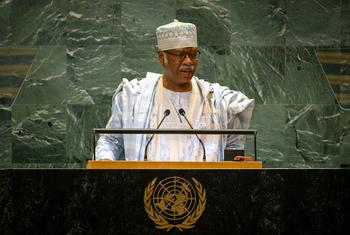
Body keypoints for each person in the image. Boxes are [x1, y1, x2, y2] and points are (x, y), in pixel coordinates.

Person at [95, 19, 254, 161]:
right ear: (160, 56)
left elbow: (232, 149)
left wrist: (238, 165)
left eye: (193, 54)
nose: (189, 62)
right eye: (180, 54)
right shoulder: (134, 96)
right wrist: (104, 161)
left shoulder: (217, 100)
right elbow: (111, 140)